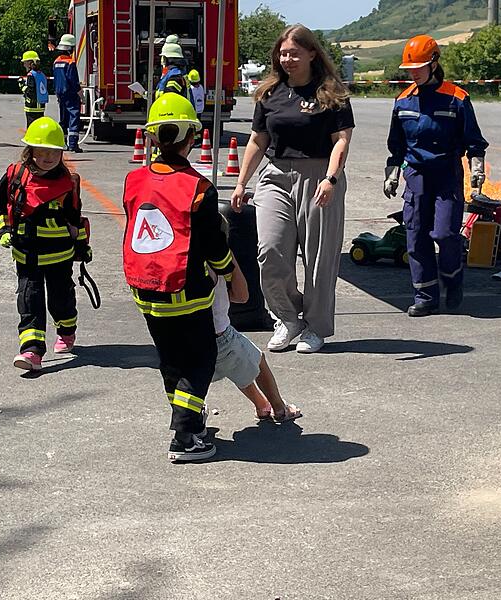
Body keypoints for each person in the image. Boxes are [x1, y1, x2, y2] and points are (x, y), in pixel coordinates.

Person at [122, 93, 234, 462]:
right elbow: (213, 245)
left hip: (145, 290)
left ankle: (189, 419)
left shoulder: (134, 180)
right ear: (193, 137)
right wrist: (233, 274)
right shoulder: (199, 188)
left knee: (170, 359)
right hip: (187, 292)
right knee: (200, 358)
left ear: (153, 137)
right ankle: (185, 435)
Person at [230, 24, 354, 354]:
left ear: (312, 53)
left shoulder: (331, 93)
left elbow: (341, 141)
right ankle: (288, 318)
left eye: (294, 53)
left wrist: (331, 179)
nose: (287, 59)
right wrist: (242, 182)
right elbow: (258, 140)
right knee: (269, 251)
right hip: (275, 174)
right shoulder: (270, 93)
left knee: (319, 258)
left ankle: (315, 327)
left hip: (319, 176)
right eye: (283, 53)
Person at [384, 34, 488, 317]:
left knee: (443, 234)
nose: (414, 73)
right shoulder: (403, 101)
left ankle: (453, 281)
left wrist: (477, 169)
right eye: (410, 69)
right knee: (416, 237)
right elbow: (396, 146)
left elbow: (474, 141)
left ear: (434, 63)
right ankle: (425, 296)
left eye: (419, 67)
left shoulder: (457, 98)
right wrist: (392, 174)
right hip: (416, 175)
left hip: (446, 175)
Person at [0, 117, 91, 371]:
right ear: (30, 151)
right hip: (26, 255)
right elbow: (0, 207)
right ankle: (32, 351)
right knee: (29, 299)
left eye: (54, 152)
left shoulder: (68, 183)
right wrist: (3, 230)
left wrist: (82, 247)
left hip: (60, 257)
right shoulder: (15, 175)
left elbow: (74, 219)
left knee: (61, 300)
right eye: (42, 151)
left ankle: (67, 330)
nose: (48, 157)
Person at [211, 218, 301, 423]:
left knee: (239, 365)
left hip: (187, 339)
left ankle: (261, 404)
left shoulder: (184, 257)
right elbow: (242, 296)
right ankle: (279, 408)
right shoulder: (220, 258)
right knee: (256, 360)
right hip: (220, 336)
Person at [53, 34, 84, 153]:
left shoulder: (56, 62)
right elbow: (74, 82)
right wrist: (82, 96)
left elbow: (56, 80)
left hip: (60, 94)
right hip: (71, 95)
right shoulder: (70, 63)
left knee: (63, 119)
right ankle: (73, 144)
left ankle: (63, 143)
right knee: (73, 118)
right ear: (70, 48)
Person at [18, 51, 48, 128]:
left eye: (25, 62)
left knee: (31, 126)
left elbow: (30, 91)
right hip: (40, 105)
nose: (24, 65)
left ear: (30, 63)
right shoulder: (41, 74)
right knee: (39, 126)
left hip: (32, 106)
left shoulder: (31, 75)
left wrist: (22, 86)